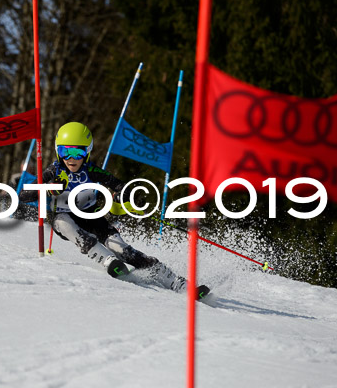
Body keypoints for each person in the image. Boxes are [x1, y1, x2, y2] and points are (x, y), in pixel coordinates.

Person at [20, 122, 209, 298]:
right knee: (62, 222)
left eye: (77, 153)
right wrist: (48, 188)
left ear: (87, 152)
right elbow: (23, 196)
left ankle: (177, 283)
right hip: (65, 220)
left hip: (92, 218)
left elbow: (120, 185)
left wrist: (126, 195)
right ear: (58, 152)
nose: (71, 158)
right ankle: (107, 261)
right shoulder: (53, 172)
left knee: (123, 249)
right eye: (65, 152)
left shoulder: (91, 171)